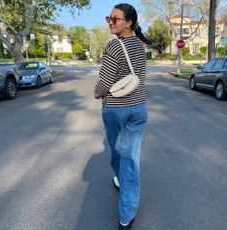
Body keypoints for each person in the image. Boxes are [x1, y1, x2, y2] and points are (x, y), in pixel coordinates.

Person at [94, 3, 153, 230]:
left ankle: (125, 216)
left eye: (115, 19)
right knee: (129, 156)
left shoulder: (114, 47)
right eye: (109, 18)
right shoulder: (139, 46)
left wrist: (96, 93)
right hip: (139, 109)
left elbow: (104, 83)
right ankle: (121, 181)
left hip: (116, 110)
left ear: (128, 23)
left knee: (120, 154)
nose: (110, 21)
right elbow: (140, 77)